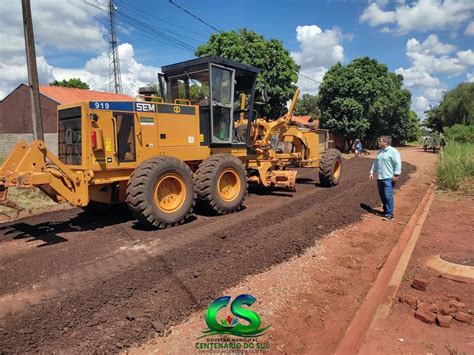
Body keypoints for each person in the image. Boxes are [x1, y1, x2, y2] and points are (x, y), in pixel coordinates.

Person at [369, 136, 401, 221]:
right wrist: (372, 172)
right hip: (380, 177)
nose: (378, 142)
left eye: (380, 141)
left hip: (389, 178)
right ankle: (385, 211)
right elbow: (376, 163)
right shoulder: (380, 152)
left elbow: (398, 163)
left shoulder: (393, 151)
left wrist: (397, 174)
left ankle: (390, 214)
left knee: (388, 196)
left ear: (385, 142)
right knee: (382, 195)